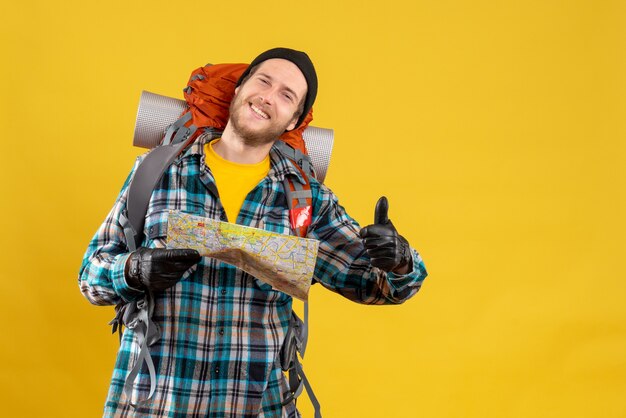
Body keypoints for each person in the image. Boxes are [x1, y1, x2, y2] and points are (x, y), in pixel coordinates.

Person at [79, 47, 428, 417]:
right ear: (240, 87)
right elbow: (90, 276)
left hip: (258, 406)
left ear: (294, 120)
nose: (268, 96)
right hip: (156, 402)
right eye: (263, 80)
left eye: (286, 94)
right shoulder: (155, 171)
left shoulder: (306, 200)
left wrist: (401, 262)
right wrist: (133, 270)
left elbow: (377, 286)